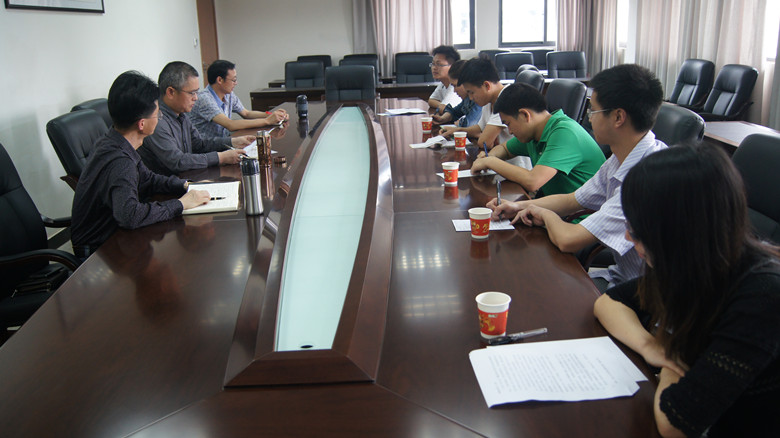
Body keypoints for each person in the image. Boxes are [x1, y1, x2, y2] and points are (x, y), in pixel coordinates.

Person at [593, 143, 780, 438]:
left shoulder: (763, 295)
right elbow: (609, 302)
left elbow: (675, 423)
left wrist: (672, 350)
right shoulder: (697, 261)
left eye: (637, 230)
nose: (628, 237)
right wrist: (652, 347)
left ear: (679, 233)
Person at [489, 64, 667, 289]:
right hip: (619, 276)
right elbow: (573, 200)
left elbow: (568, 240)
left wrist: (545, 214)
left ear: (618, 117)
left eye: (593, 111)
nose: (589, 119)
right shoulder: (619, 158)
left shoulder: (644, 178)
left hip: (646, 292)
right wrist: (519, 206)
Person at [71, 71, 210, 259]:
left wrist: (186, 185)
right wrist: (180, 204)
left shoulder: (116, 140)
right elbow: (130, 216)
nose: (160, 117)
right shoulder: (120, 160)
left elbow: (148, 179)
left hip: (115, 234)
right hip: (99, 251)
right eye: (157, 114)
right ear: (142, 124)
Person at [470, 83, 605, 199]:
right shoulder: (534, 133)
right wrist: (489, 156)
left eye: (509, 124)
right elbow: (505, 149)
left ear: (525, 115)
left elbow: (533, 181)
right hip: (554, 206)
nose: (509, 131)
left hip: (583, 216)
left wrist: (490, 161)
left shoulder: (565, 133)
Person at [138, 61, 254, 176]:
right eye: (192, 93)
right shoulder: (156, 120)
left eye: (197, 92)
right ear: (171, 92)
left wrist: (233, 142)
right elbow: (177, 161)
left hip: (186, 178)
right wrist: (221, 157)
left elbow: (199, 144)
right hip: (167, 185)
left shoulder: (181, 113)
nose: (196, 98)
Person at [188, 59, 288, 138]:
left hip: (222, 142)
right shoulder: (204, 99)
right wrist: (267, 121)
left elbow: (246, 113)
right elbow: (230, 124)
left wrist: (272, 115)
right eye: (233, 80)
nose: (236, 83)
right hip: (206, 150)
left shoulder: (228, 94)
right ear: (220, 80)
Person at [440, 58, 511, 151]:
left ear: (487, 86)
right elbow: (479, 128)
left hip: (509, 160)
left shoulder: (506, 99)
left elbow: (484, 143)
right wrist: (457, 131)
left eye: (471, 92)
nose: (470, 98)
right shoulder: (488, 100)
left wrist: (484, 137)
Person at [431, 60, 481, 128]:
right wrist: (442, 119)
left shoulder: (479, 100)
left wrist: (459, 123)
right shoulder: (467, 99)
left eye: (455, 86)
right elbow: (454, 112)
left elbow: (470, 125)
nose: (454, 91)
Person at [427, 45, 462, 113]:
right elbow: (431, 100)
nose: (434, 68)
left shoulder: (455, 87)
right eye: (433, 64)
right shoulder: (443, 83)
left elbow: (446, 110)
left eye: (439, 64)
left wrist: (443, 106)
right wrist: (442, 105)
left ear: (452, 66)